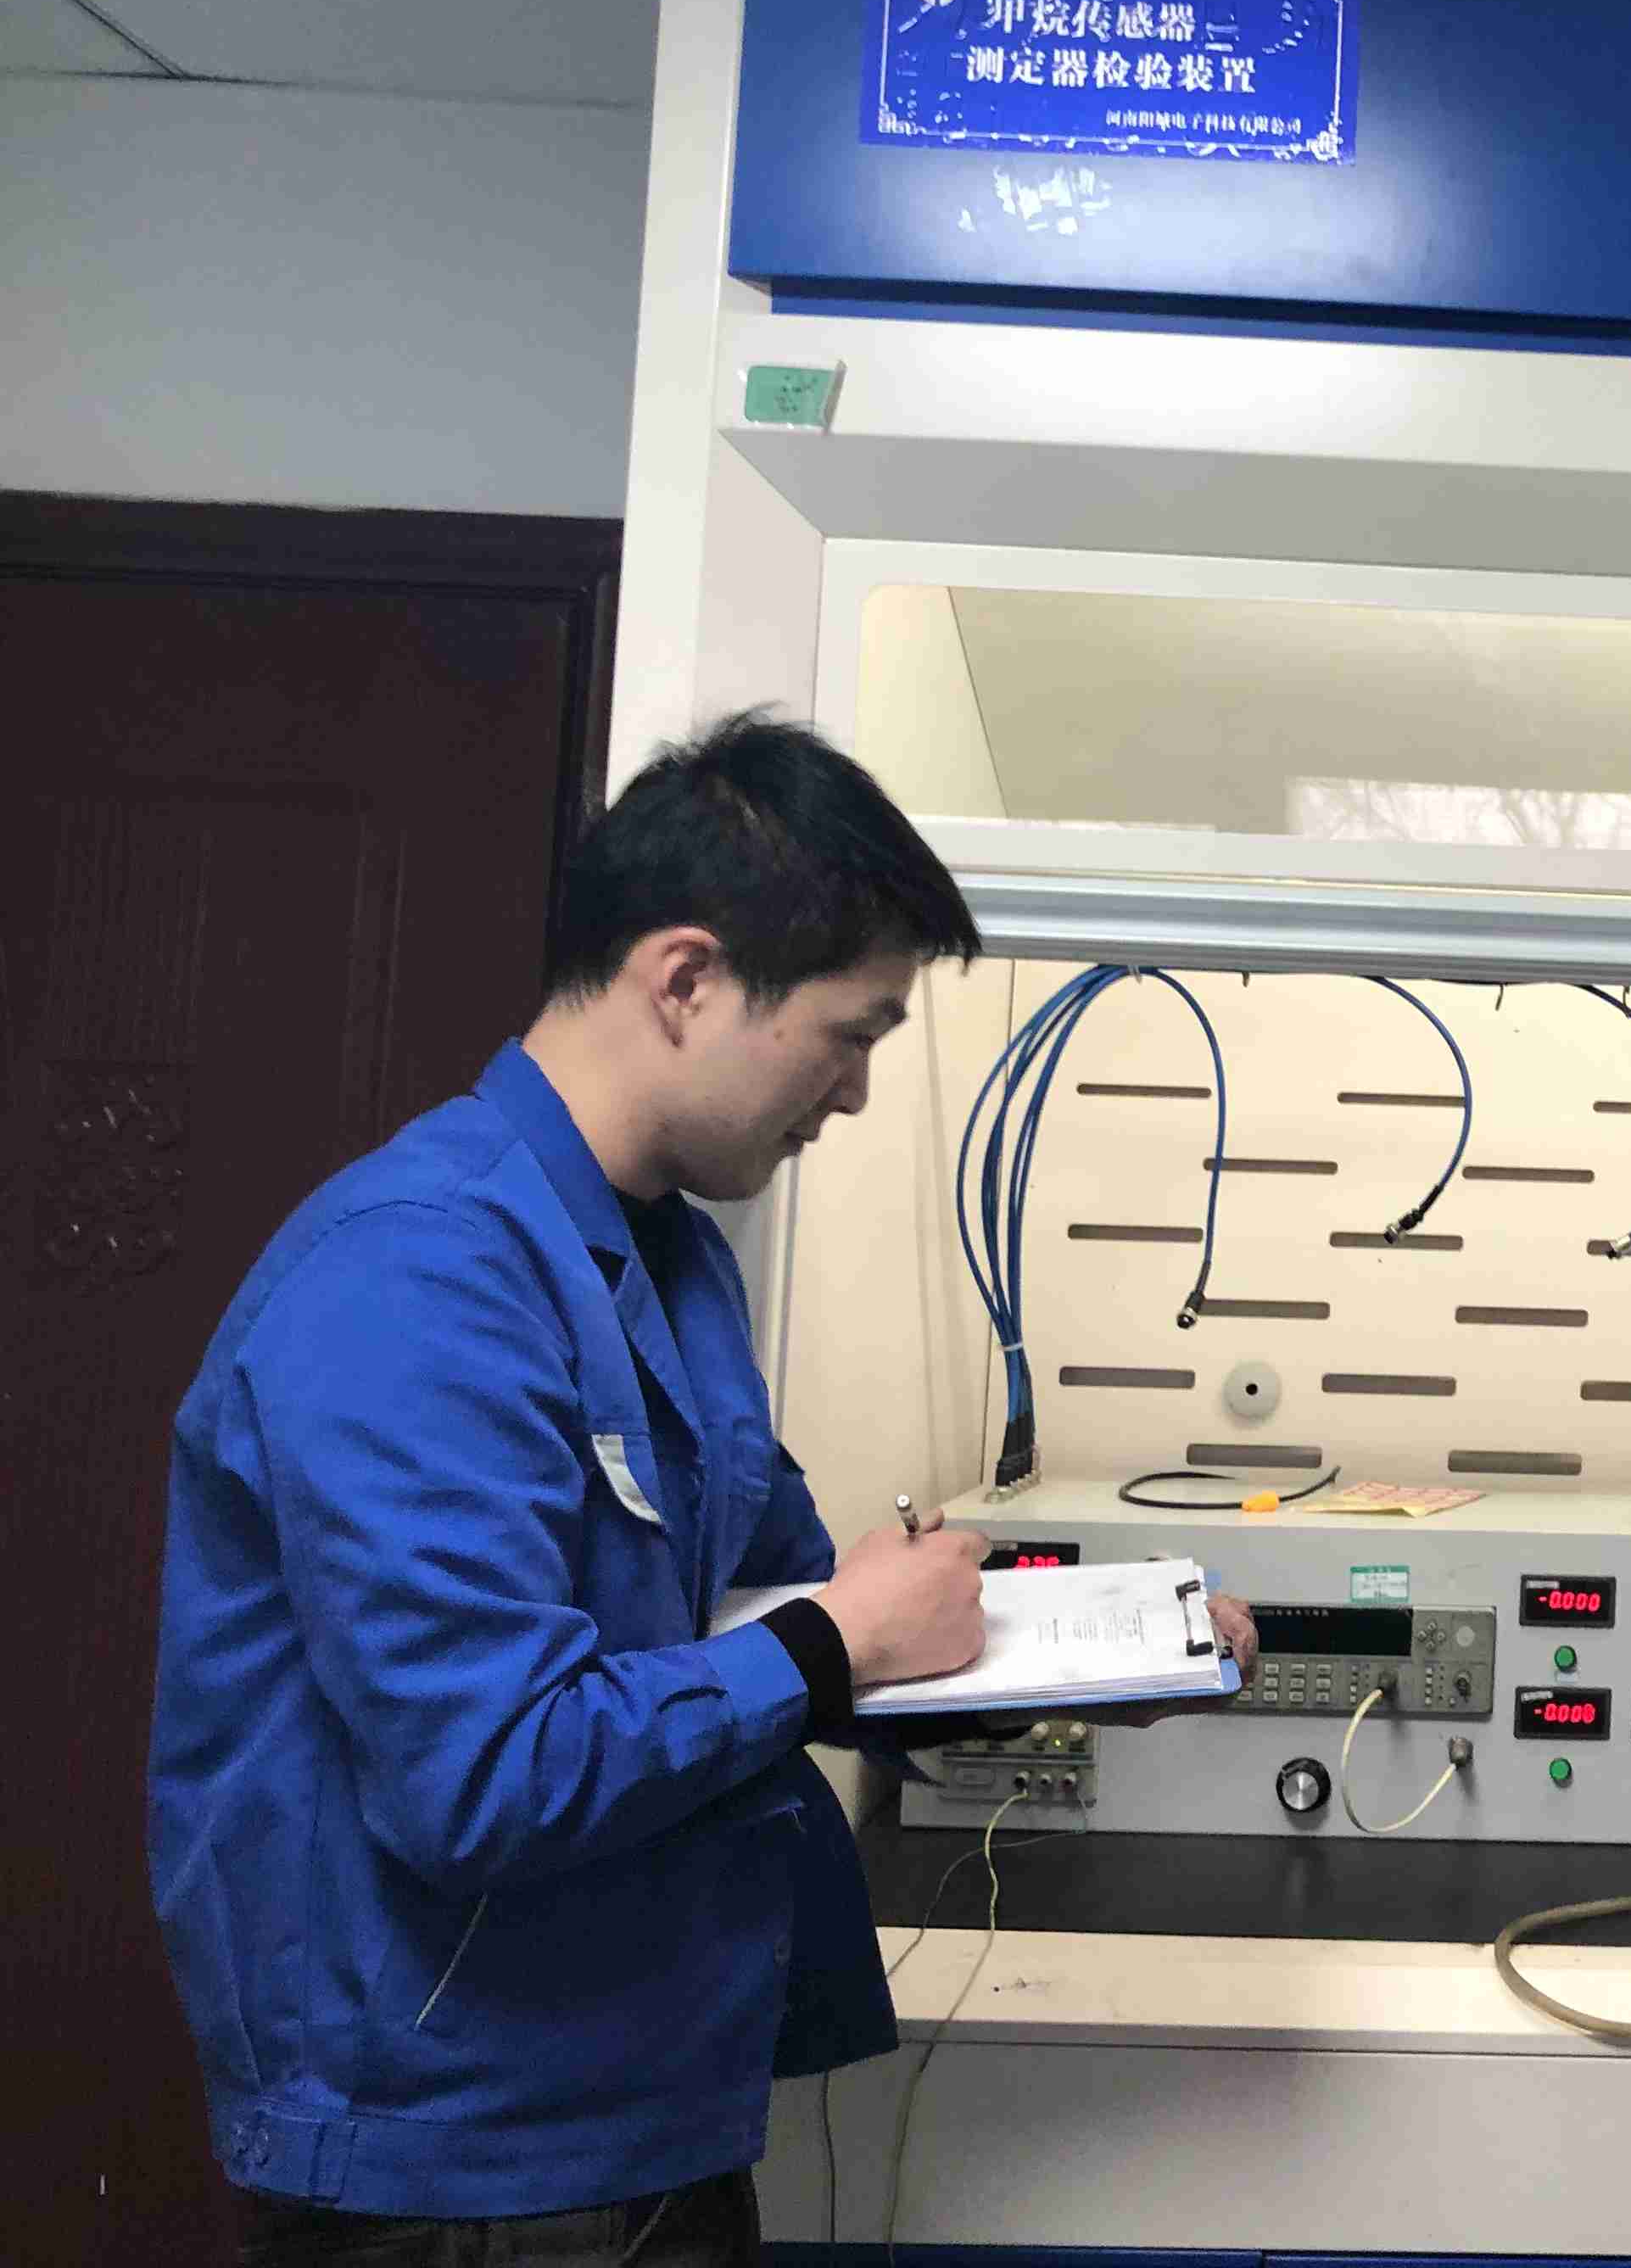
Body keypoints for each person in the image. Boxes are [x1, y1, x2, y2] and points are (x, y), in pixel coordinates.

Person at [150, 712, 1256, 2265]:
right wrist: (843, 1641)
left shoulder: (665, 1261)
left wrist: (1066, 1662)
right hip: (460, 2169)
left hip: (637, 2108)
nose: (853, 1094)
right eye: (850, 1033)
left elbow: (772, 1615)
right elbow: (489, 1771)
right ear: (687, 981)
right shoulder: (420, 1276)